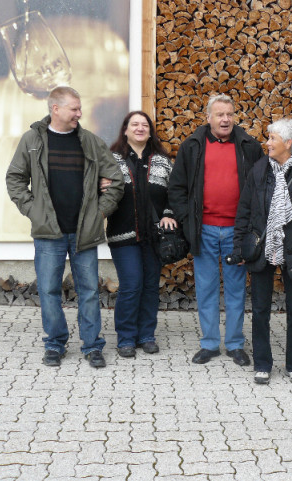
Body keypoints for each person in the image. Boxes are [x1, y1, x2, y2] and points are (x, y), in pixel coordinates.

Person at [5, 86, 124, 368]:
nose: (79, 114)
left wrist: (100, 212)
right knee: (48, 291)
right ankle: (55, 344)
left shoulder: (90, 141)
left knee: (89, 291)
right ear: (55, 109)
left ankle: (92, 346)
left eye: (80, 108)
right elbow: (15, 179)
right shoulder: (32, 140)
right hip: (49, 234)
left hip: (84, 232)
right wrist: (33, 211)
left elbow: (116, 180)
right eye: (74, 109)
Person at [168, 94, 264, 367]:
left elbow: (260, 189)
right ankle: (209, 343)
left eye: (229, 114)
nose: (225, 120)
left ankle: (234, 344)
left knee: (236, 290)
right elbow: (177, 188)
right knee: (206, 289)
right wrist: (187, 221)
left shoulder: (249, 146)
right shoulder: (192, 146)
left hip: (237, 232)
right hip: (204, 231)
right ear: (208, 117)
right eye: (220, 114)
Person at [232, 118, 292, 385]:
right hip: (263, 248)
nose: (267, 143)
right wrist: (240, 248)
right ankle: (262, 364)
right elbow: (244, 210)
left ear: (288, 142)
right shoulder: (258, 170)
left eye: (272, 138)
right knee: (260, 310)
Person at [101, 111, 176, 358]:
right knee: (132, 285)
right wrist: (100, 187)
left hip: (155, 236)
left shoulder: (163, 161)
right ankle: (126, 337)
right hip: (123, 235)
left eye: (145, 125)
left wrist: (168, 214)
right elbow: (97, 190)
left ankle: (146, 335)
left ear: (150, 131)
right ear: (125, 130)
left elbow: (174, 193)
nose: (140, 128)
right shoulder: (111, 160)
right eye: (135, 124)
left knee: (150, 286)